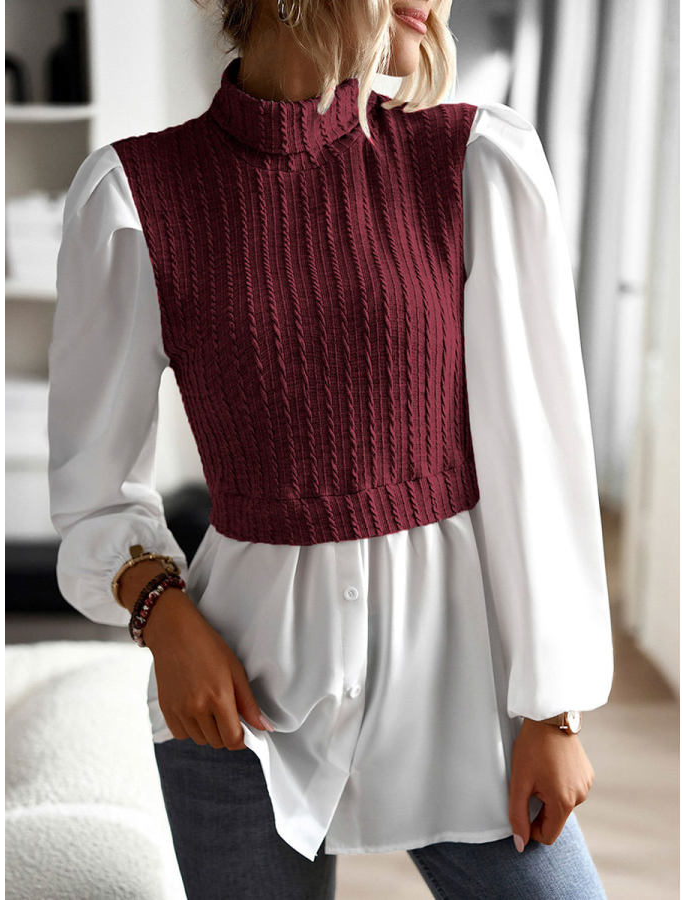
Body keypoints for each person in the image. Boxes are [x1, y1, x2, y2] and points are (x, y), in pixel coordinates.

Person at [47, 1, 614, 897]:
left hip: (461, 697)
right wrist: (164, 618)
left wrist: (554, 709)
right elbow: (94, 490)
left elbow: (539, 458)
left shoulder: (473, 161)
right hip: (237, 715)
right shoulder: (132, 196)